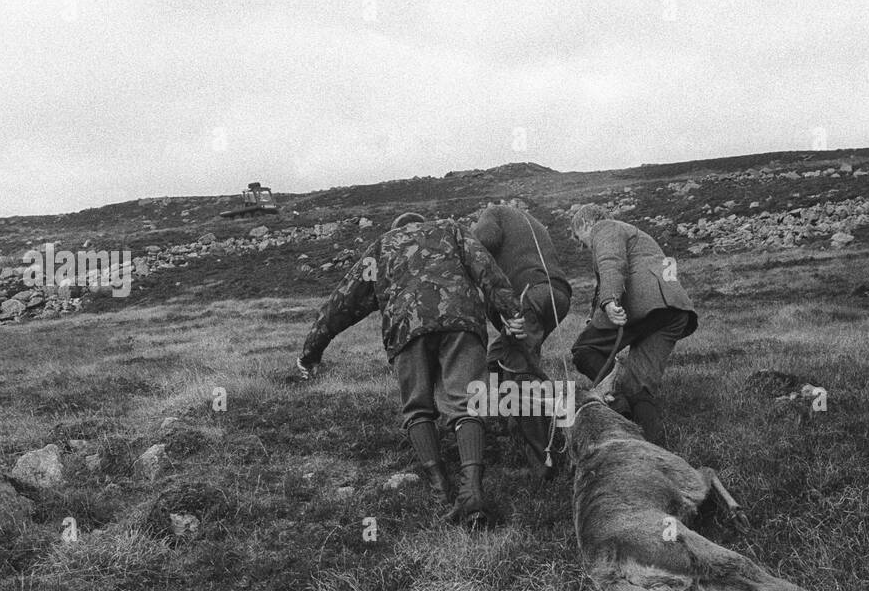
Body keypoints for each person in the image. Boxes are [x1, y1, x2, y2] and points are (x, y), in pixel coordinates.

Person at [296, 212, 524, 526]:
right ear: (422, 222)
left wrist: (311, 353)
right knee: (466, 403)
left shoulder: (383, 247)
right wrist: (511, 310)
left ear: (397, 230)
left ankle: (439, 488)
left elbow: (343, 302)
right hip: (460, 321)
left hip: (406, 328)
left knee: (417, 408)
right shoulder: (451, 228)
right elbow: (485, 266)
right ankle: (472, 491)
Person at [568, 203, 697, 445]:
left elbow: (611, 261)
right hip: (673, 311)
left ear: (585, 224)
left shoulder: (604, 228)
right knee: (638, 384)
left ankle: (618, 409)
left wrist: (609, 300)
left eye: (579, 238)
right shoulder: (635, 233)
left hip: (643, 304)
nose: (582, 245)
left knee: (584, 350)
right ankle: (654, 446)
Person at [470, 204, 571, 470]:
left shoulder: (494, 212)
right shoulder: (532, 221)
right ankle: (510, 424)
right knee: (499, 357)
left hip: (529, 295)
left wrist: (465, 250)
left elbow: (485, 240)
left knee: (519, 369)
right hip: (557, 296)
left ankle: (544, 460)